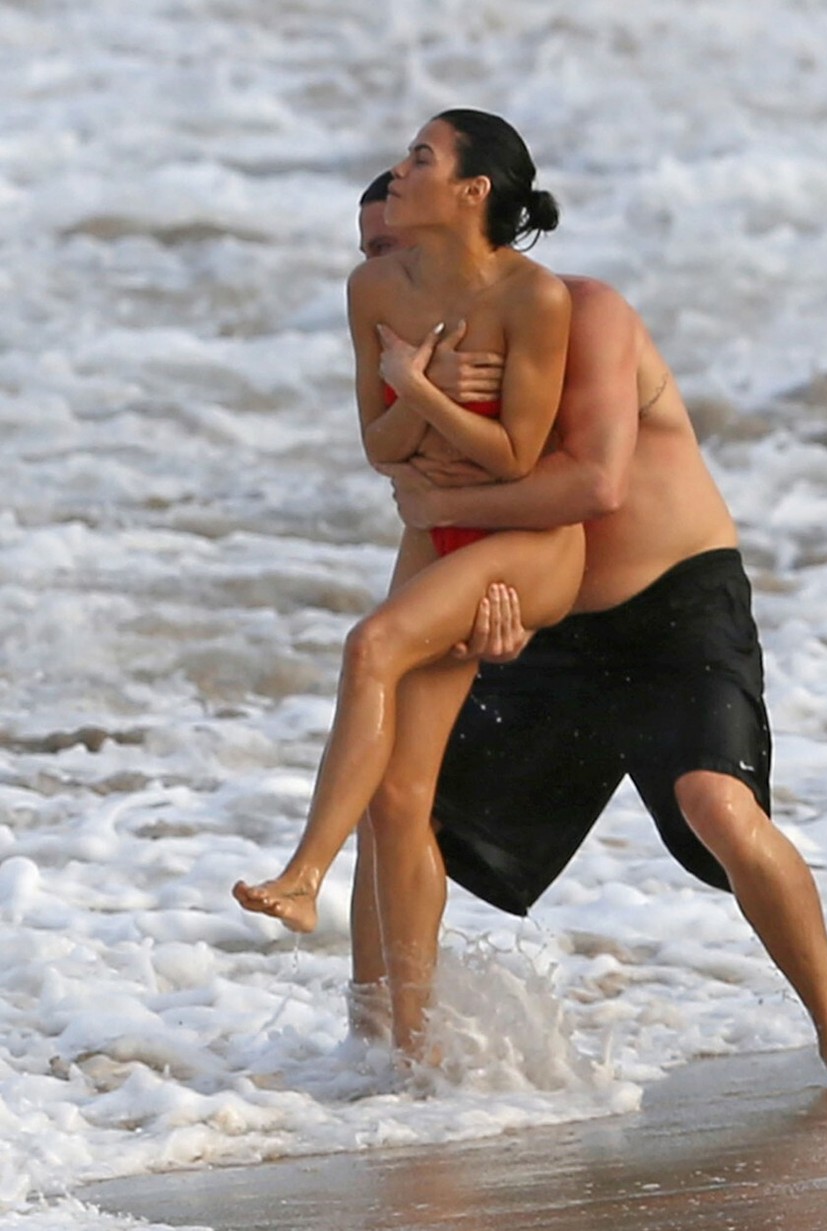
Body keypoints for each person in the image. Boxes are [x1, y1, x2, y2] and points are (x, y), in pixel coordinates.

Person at [348, 179, 827, 1083]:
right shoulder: (421, 376)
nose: (385, 271)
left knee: (717, 804)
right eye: (370, 255)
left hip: (673, 606)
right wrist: (486, 616)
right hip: (549, 623)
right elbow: (431, 521)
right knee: (396, 800)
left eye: (394, 246)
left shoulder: (583, 314)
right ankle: (381, 1052)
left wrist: (442, 493)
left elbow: (595, 483)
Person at [233, 109, 585, 1058]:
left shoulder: (535, 298)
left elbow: (516, 457)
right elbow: (379, 448)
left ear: (472, 190)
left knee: (371, 644)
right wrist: (420, 383)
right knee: (398, 800)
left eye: (418, 157)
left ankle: (304, 874)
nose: (397, 171)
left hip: (528, 543)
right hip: (436, 530)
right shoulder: (374, 289)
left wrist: (418, 392)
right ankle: (407, 1050)